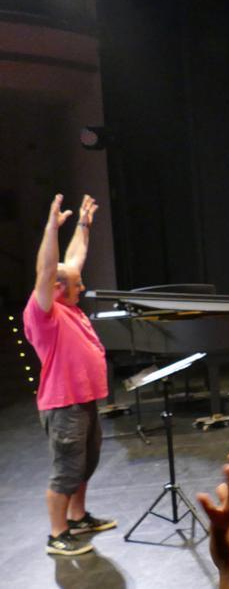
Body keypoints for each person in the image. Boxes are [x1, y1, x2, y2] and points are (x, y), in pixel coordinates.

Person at [25, 194, 116, 556]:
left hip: (84, 398)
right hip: (63, 404)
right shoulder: (43, 313)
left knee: (86, 462)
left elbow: (73, 261)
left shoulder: (68, 303)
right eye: (76, 285)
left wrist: (82, 225)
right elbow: (48, 270)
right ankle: (57, 534)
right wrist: (51, 228)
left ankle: (77, 518)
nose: (82, 287)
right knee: (66, 469)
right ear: (59, 289)